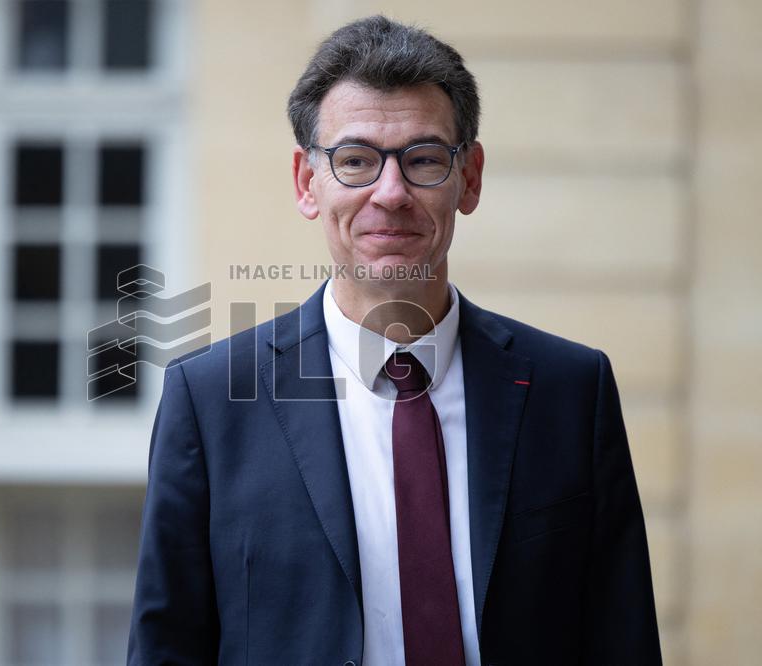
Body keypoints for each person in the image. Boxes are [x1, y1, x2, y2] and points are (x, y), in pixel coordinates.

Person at [127, 15, 661, 666]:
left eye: (424, 159)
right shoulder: (210, 403)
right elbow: (165, 650)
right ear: (306, 181)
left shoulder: (571, 392)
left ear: (469, 178)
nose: (391, 193)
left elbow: (623, 641)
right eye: (355, 161)